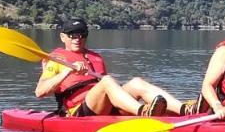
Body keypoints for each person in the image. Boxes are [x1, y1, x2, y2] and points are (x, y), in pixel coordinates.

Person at [34, 18, 178, 117]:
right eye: (72, 35)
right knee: (107, 80)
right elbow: (39, 92)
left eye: (82, 34)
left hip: (104, 107)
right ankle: (142, 111)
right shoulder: (56, 59)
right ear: (63, 37)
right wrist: (66, 72)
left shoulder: (96, 57)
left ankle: (184, 110)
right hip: (78, 111)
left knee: (136, 82)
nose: (77, 38)